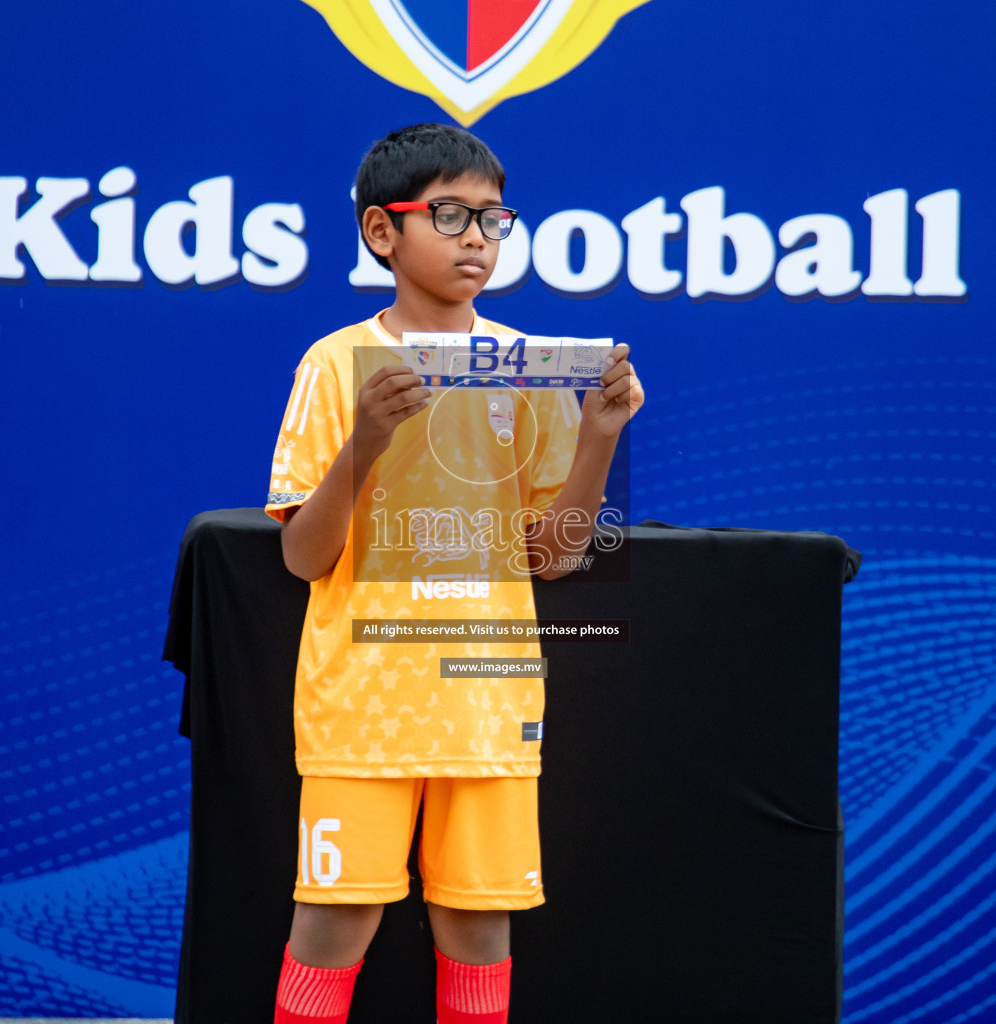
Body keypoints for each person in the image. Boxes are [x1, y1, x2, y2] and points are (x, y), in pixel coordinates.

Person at [264, 122, 643, 1024]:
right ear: (381, 232)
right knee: (335, 917)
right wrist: (368, 439)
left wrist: (597, 437)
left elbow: (554, 557)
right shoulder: (333, 365)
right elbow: (302, 556)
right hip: (362, 708)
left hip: (486, 706)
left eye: (493, 218)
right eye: (449, 214)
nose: (477, 237)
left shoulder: (529, 370)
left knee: (478, 933)